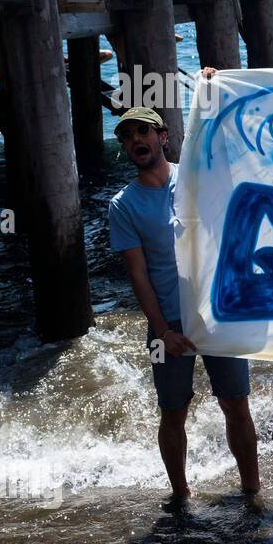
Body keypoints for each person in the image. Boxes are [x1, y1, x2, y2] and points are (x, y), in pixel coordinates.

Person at [108, 77, 261, 507]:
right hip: (168, 324)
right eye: (126, 135)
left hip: (215, 312)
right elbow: (139, 275)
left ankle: (252, 490)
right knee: (173, 413)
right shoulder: (122, 205)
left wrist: (211, 91)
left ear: (163, 136)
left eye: (143, 131)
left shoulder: (195, 179)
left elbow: (230, 152)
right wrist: (162, 331)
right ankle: (181, 496)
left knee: (236, 405)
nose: (135, 139)